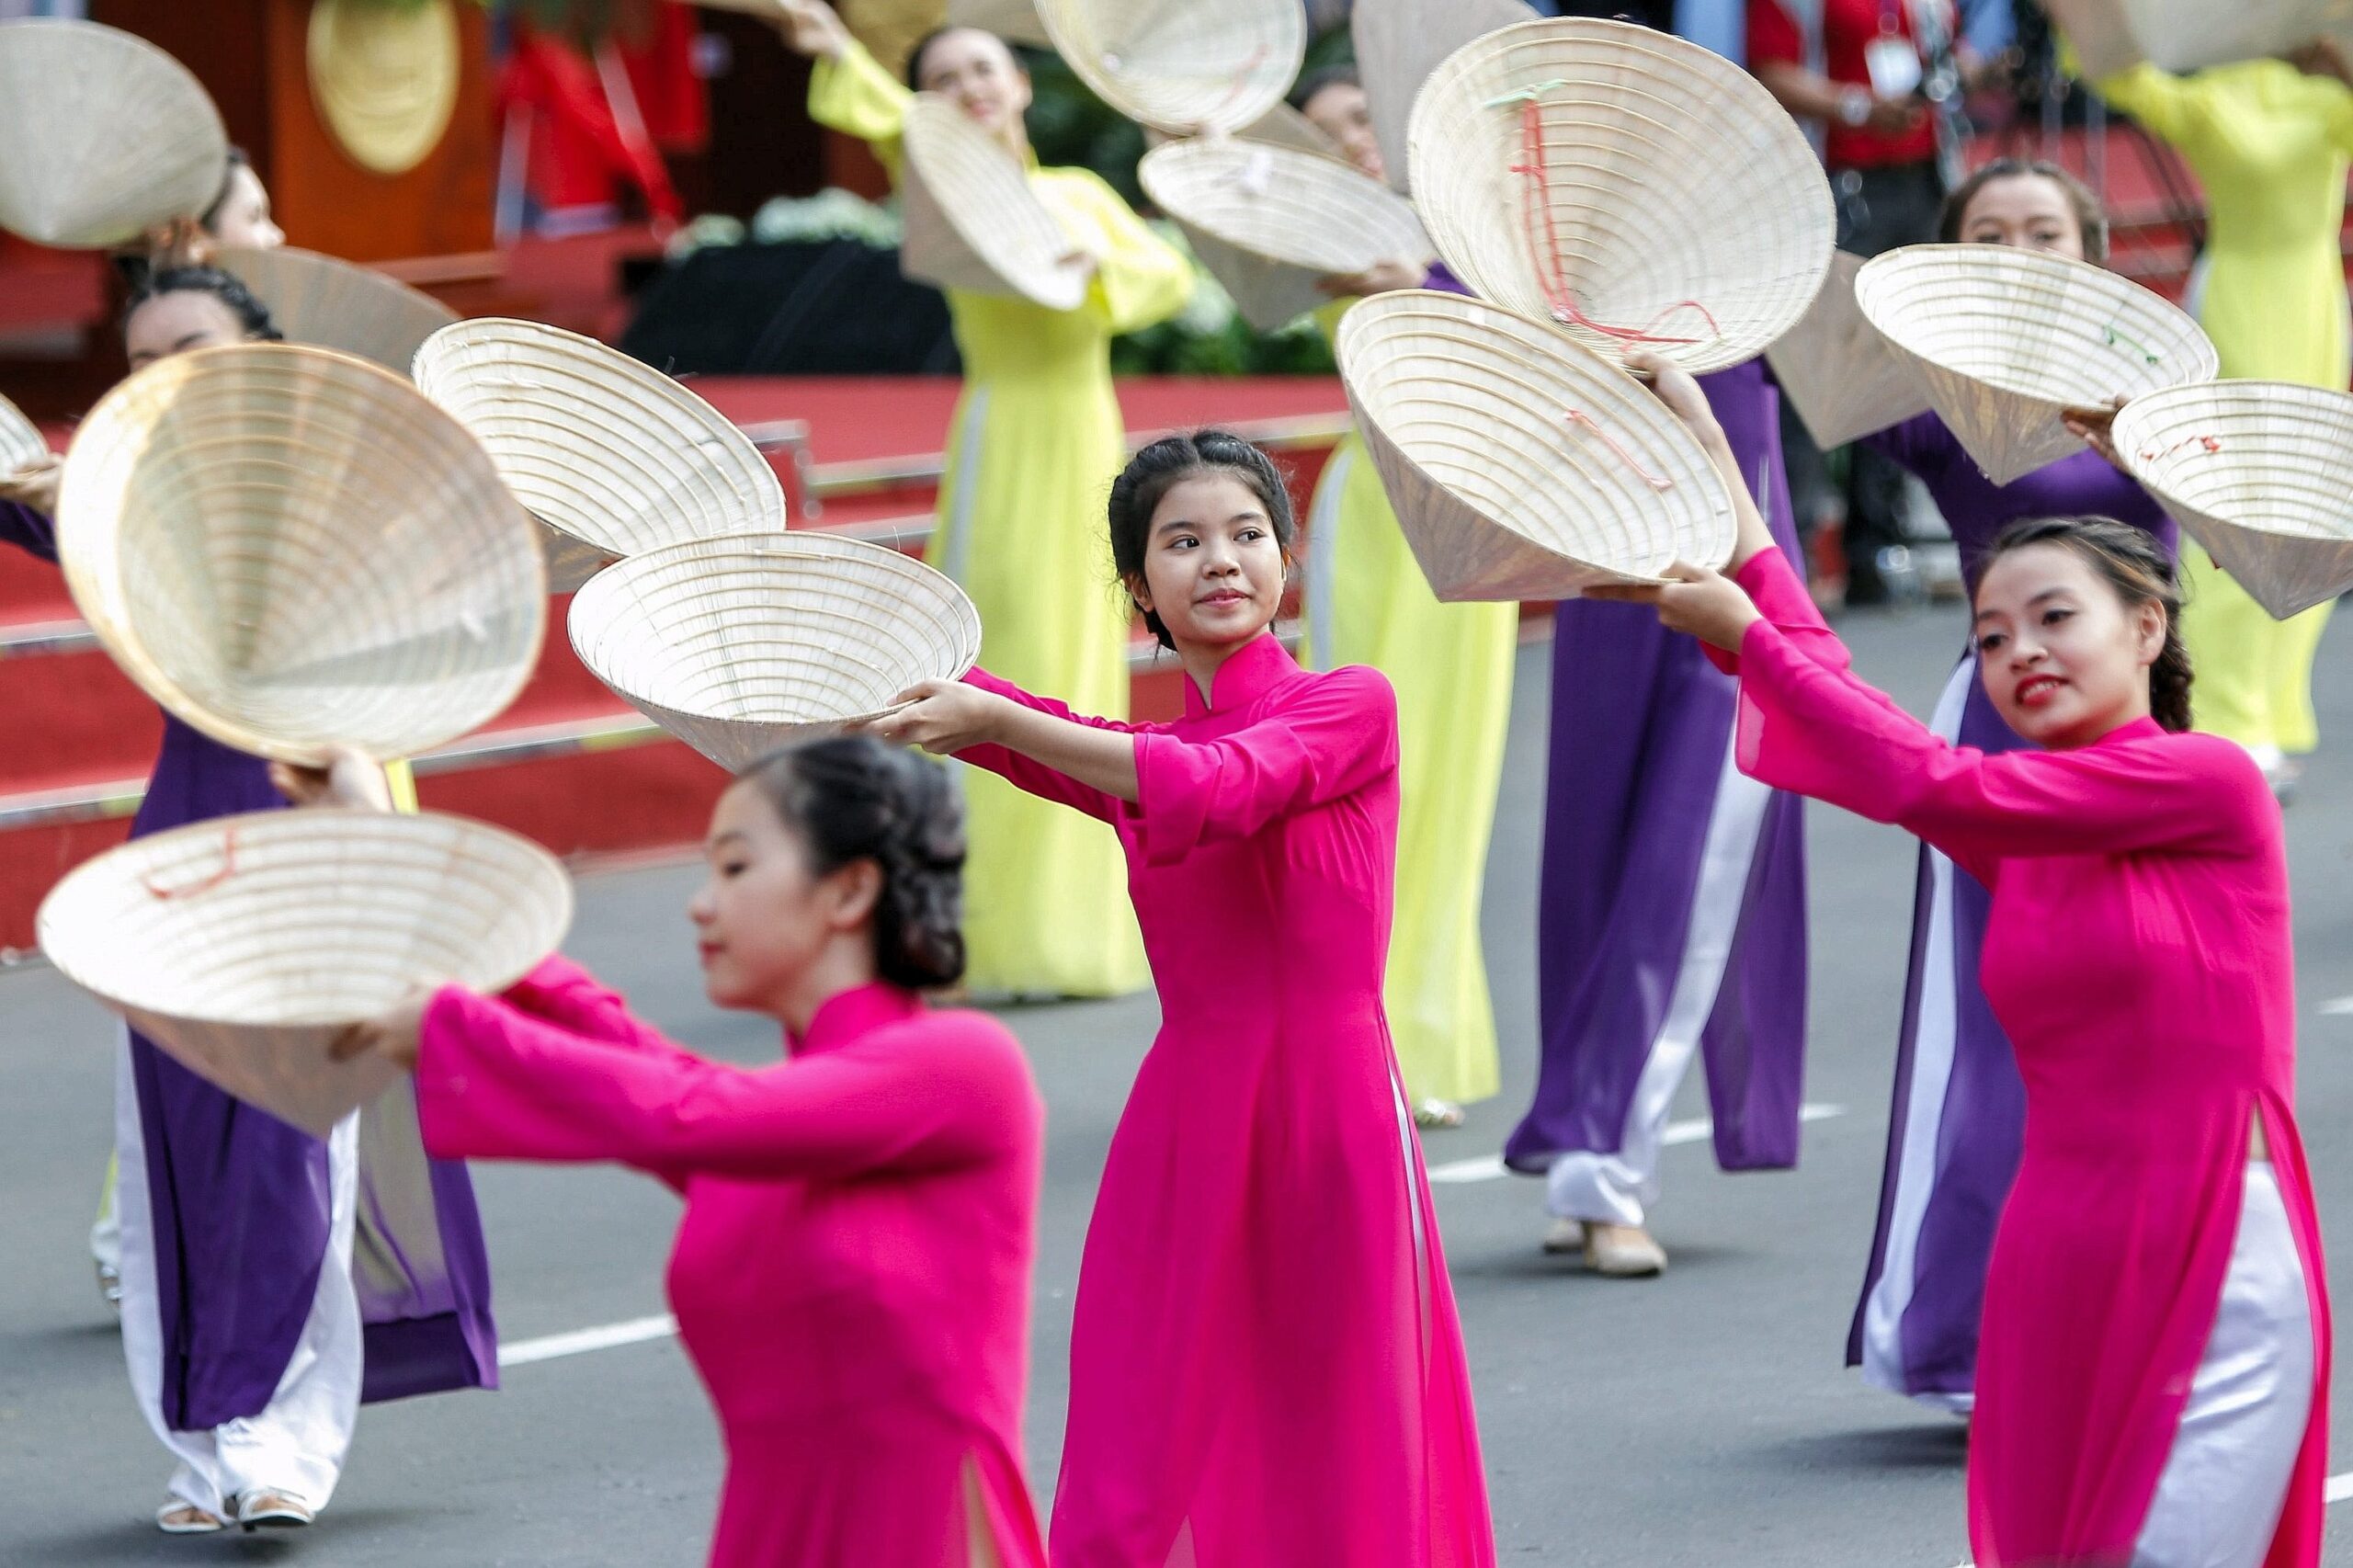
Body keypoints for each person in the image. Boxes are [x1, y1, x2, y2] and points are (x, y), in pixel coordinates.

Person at [1605, 351, 2330, 1568]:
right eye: (1993, 634)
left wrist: (1749, 635)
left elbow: (1921, 772)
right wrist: (1720, 472)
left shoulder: (2205, 785)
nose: (2021, 651)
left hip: (2211, 1240)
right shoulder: (2023, 823)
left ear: (2149, 625)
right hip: (2055, 1250)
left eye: (2058, 617)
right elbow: (1847, 703)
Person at [868, 433, 1495, 1567]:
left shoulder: (1349, 706)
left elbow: (1221, 782)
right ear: (1137, 586)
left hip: (1329, 1109)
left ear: (1287, 558)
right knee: (1137, 1415)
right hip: (1188, 1118)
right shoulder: (1146, 749)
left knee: (1333, 1415)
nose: (1221, 560)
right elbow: (1079, 744)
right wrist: (918, 675)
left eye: (1247, 534)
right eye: (1183, 541)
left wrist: (1002, 721)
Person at [0, 269, 494, 1535]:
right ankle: (202, 1451)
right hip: (177, 845)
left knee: (287, 1155)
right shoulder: (123, 505)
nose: (165, 372)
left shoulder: (319, 494)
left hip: (308, 825)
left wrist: (108, 493)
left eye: (194, 347)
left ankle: (284, 1443)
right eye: (143, 357)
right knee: (178, 1162)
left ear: (263, 358)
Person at [322, 736, 1049, 1568]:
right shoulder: (769, 1138)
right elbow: (627, 1054)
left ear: (849, 890)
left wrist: (455, 1028)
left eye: (734, 870)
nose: (700, 905)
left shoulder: (960, 1068)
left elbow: (681, 1107)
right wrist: (378, 839)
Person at [1838, 160, 2177, 1411]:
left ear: (2093, 247)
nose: (2022, 247)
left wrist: (2145, 426)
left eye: (2046, 229)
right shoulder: (1943, 399)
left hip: (2154, 741)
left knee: (2148, 1037)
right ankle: (1974, 1342)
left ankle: (2135, 1319)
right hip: (2005, 727)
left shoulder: (2168, 385)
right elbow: (1812, 362)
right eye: (1991, 232)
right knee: (2000, 1033)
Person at [772, 0, 1193, 999]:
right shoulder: (944, 193)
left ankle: (1071, 932)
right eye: (947, 78)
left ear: (1020, 85)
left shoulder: (1079, 195)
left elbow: (1165, 276)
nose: (971, 88)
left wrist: (1101, 265)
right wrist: (833, 45)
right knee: (990, 670)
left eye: (985, 71)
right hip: (1000, 446)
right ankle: (974, 928)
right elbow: (884, 119)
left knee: (1080, 678)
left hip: (1084, 439)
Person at [1291, 65, 1518, 1130]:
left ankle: (1420, 1037)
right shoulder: (1332, 250)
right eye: (1332, 129)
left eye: (1364, 121)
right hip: (1379, 521)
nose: (1355, 141)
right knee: (1361, 788)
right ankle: (1351, 1035)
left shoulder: (1474, 235)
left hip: (1473, 522)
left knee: (1455, 786)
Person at [2074, 38, 2353, 795]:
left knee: (2309, 516)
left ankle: (2270, 709)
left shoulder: (2330, 92)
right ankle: (2226, 717)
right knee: (2242, 510)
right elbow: (2106, 64)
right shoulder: (2211, 96)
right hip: (2242, 304)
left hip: (2317, 302)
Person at [1749, 0, 1954, 604]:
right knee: (1815, 370)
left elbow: (1938, 52)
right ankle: (1797, 550)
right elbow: (1770, 73)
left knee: (1894, 362)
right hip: (1835, 183)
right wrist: (1857, 106)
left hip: (1919, 179)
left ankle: (1879, 545)